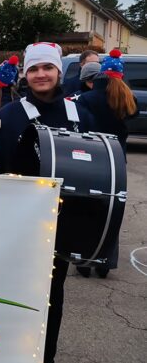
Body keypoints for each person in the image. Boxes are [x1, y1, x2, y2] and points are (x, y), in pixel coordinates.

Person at [0, 42, 95, 363]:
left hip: (64, 220)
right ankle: (3, 361)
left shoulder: (82, 113)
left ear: (59, 71)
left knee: (51, 295)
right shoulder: (11, 114)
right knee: (10, 292)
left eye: (47, 68)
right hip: (18, 221)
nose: (41, 75)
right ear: (25, 75)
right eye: (34, 69)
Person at [73, 49, 137, 279]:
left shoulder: (88, 99)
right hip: (117, 158)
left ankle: (83, 260)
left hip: (92, 157)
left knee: (86, 207)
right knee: (112, 209)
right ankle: (105, 262)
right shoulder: (127, 98)